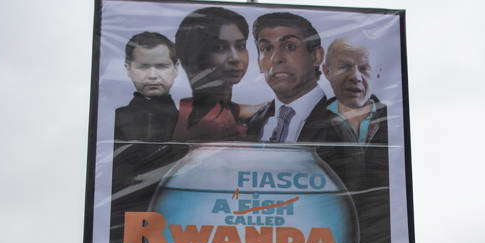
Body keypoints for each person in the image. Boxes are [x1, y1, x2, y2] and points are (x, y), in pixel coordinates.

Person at [247, 12, 330, 143]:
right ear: (259, 63)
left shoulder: (341, 121)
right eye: (267, 48)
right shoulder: (253, 123)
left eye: (290, 46)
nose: (276, 58)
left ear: (316, 56)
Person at [173, 7, 251, 141]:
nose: (235, 58)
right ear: (195, 55)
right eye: (220, 47)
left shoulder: (256, 115)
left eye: (241, 46)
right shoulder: (176, 114)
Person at [115, 32, 180, 144]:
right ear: (128, 69)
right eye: (143, 67)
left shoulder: (187, 120)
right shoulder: (114, 118)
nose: (152, 76)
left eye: (161, 66)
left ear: (176, 68)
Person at [321, 39, 387, 146]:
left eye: (364, 68)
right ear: (327, 71)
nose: (356, 77)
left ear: (377, 73)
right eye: (344, 67)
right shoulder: (313, 119)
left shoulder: (392, 116)